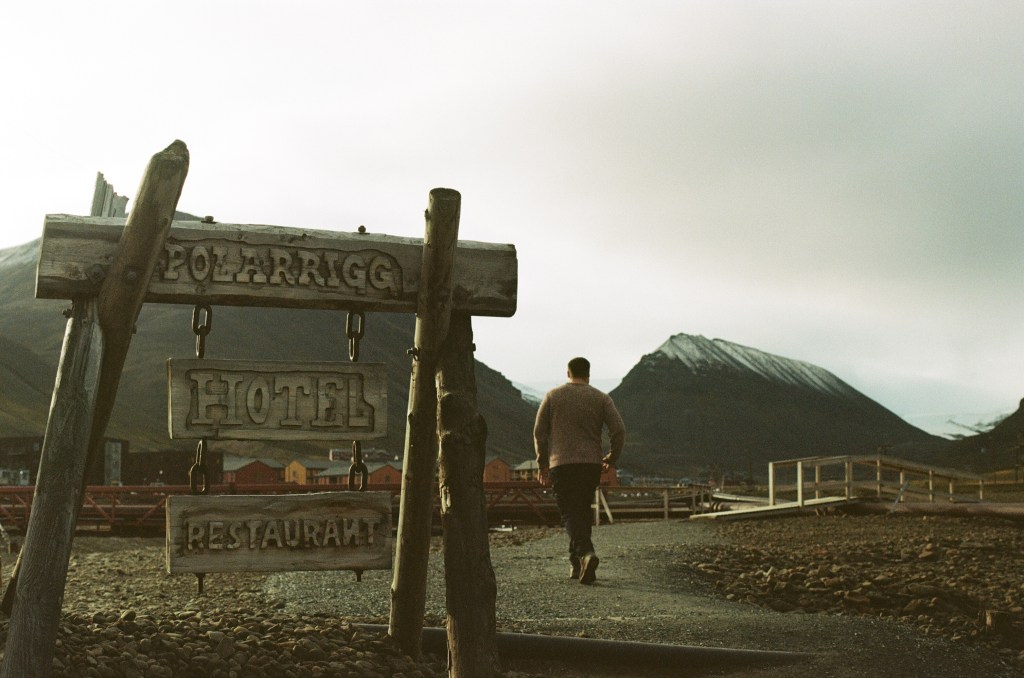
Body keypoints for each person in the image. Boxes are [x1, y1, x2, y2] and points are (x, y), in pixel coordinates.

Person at [533, 357, 626, 585]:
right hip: (590, 464)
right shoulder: (601, 398)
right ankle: (577, 563)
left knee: (569, 512)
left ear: (568, 372)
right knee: (581, 510)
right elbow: (619, 430)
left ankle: (585, 553)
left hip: (561, 464)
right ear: (588, 374)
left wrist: (542, 463)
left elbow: (539, 431)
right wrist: (612, 458)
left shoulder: (553, 396)